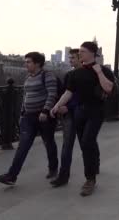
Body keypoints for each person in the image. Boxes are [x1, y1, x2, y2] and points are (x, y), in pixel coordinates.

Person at [51, 41, 115, 196]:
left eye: (83, 51)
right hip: (80, 112)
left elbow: (108, 88)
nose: (80, 54)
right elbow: (69, 92)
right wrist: (56, 106)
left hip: (96, 112)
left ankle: (90, 179)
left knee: (87, 142)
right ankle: (92, 173)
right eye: (79, 51)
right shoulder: (75, 74)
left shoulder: (104, 71)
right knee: (86, 145)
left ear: (93, 53)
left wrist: (99, 72)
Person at [0, 52, 59, 186]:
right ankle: (12, 176)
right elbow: (26, 98)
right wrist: (22, 114)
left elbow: (52, 94)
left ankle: (53, 168)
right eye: (25, 62)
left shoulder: (47, 76)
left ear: (37, 63)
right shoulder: (28, 78)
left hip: (44, 117)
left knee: (48, 143)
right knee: (23, 146)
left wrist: (45, 110)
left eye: (28, 62)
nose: (26, 64)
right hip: (28, 117)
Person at [50, 48, 82, 188]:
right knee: (67, 145)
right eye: (70, 58)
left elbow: (83, 97)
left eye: (73, 58)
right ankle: (63, 176)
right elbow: (65, 93)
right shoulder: (69, 75)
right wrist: (58, 106)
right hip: (68, 115)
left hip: (81, 113)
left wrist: (67, 107)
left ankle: (93, 166)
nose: (70, 61)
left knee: (86, 143)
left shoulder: (87, 75)